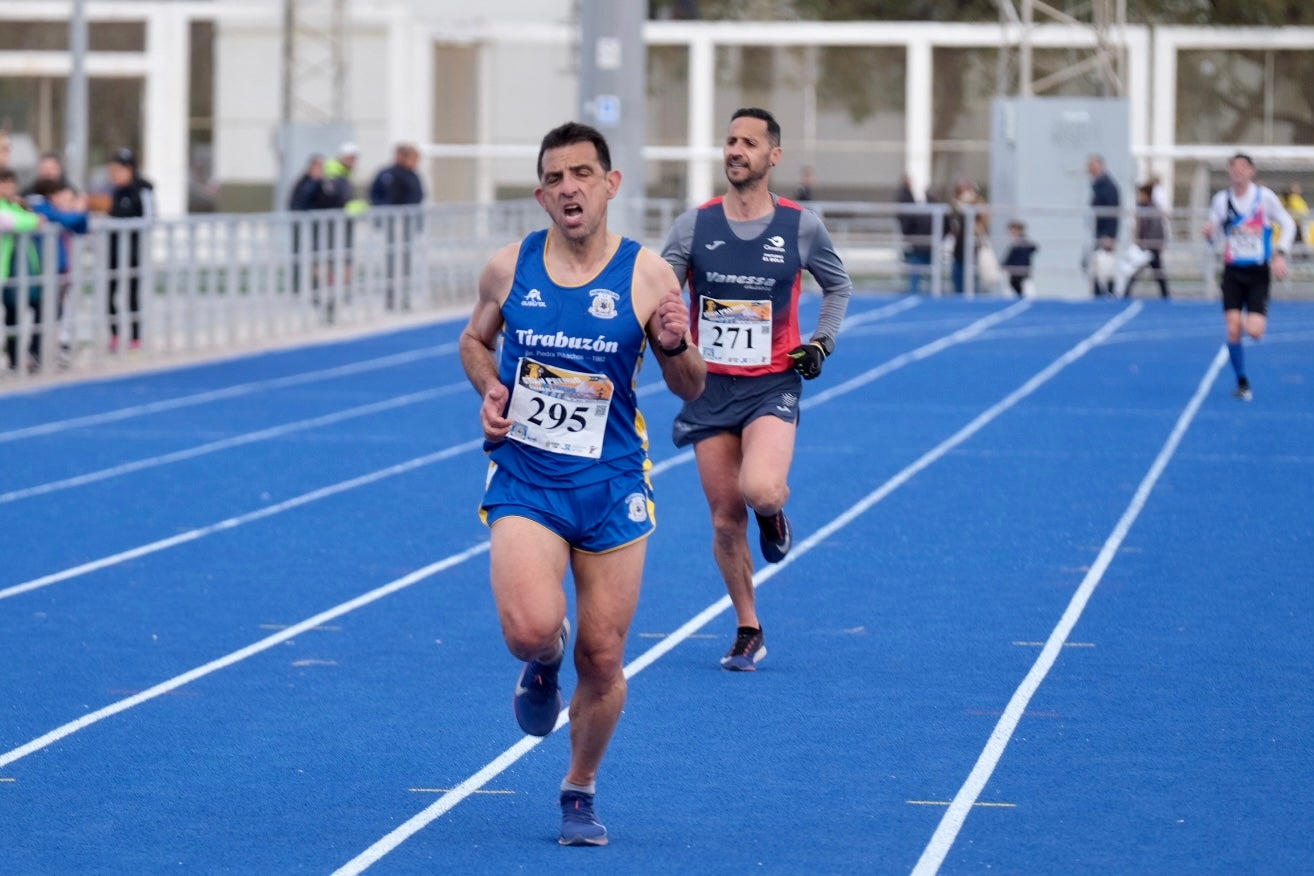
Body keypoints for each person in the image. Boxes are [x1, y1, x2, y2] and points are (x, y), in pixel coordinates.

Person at [458, 121, 705, 846]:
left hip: (612, 484)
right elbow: (475, 341)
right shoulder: (508, 268)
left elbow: (692, 387)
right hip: (528, 480)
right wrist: (489, 390)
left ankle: (579, 788)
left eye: (582, 174)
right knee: (531, 629)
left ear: (610, 184)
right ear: (540, 195)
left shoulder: (648, 276)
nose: (569, 187)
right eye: (555, 178)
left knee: (603, 658)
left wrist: (673, 344)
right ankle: (541, 662)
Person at [661, 107, 852, 671]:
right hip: (708, 387)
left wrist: (822, 342)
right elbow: (661, 291)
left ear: (774, 156)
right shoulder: (693, 226)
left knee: (762, 490)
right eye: (729, 141)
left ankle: (774, 515)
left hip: (772, 383)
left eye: (749, 142)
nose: (735, 150)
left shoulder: (801, 226)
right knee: (724, 518)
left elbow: (838, 287)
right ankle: (749, 627)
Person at [1202, 153, 1296, 401]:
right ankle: (1242, 381)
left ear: (1251, 171)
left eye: (1244, 167)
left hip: (1257, 273)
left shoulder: (1264, 198)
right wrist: (1209, 233)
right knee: (1233, 328)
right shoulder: (1222, 200)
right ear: (1229, 172)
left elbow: (1288, 224)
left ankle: (1254, 317)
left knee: (1254, 331)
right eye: (1234, 167)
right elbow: (1212, 236)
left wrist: (1280, 253)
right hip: (1233, 272)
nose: (1239, 171)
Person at [26, 177, 90, 365]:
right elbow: (67, 219)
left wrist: (81, 211)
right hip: (42, 271)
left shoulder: (60, 213)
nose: (67, 204)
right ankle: (33, 353)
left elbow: (82, 227)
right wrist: (78, 211)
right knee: (40, 311)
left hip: (62, 271)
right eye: (65, 198)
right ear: (54, 195)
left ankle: (48, 351)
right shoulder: (42, 207)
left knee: (56, 313)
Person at [105, 147, 154, 351]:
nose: (116, 175)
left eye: (120, 170)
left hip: (133, 251)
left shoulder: (143, 190)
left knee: (132, 294)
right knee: (110, 293)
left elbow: (150, 218)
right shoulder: (116, 192)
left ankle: (135, 337)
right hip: (114, 250)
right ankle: (115, 335)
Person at [368, 143, 426, 309]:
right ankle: (391, 297)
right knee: (392, 260)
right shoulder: (388, 174)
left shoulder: (413, 175)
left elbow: (418, 197)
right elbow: (376, 195)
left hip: (408, 223)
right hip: (393, 222)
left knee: (405, 261)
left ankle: (404, 296)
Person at [1, 167, 45, 372]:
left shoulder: (16, 205)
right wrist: (34, 221)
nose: (8, 188)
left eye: (11, 183)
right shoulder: (7, 208)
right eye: (4, 183)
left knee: (22, 312)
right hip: (6, 272)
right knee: (12, 314)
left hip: (13, 272)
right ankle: (15, 358)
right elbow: (13, 222)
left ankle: (22, 358)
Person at [1122, 182, 1169, 299]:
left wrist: (1149, 245)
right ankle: (1125, 295)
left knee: (1158, 273)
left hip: (1151, 248)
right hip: (1143, 248)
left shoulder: (1153, 210)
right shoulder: (1140, 208)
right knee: (1135, 272)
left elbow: (1156, 230)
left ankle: (1166, 297)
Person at [1087, 154, 1120, 297]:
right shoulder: (1097, 185)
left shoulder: (1109, 186)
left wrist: (1111, 235)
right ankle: (1099, 294)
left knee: (1105, 266)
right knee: (1096, 266)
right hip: (1098, 231)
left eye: (1093, 166)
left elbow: (1113, 212)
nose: (1090, 170)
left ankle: (1108, 293)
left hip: (1105, 232)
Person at [948, 180, 987, 294]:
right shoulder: (955, 207)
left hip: (972, 249)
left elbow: (984, 222)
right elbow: (951, 222)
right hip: (958, 250)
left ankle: (973, 299)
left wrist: (972, 202)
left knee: (972, 280)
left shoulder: (977, 204)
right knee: (957, 280)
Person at [898, 175, 933, 295]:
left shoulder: (920, 207)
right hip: (920, 245)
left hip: (921, 245)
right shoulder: (906, 198)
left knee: (921, 274)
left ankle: (921, 292)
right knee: (921, 274)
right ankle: (923, 292)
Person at [1001, 220, 1037, 297]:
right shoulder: (1015, 243)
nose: (1011, 232)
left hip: (1021, 273)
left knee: (1025, 292)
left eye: (1013, 230)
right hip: (1014, 273)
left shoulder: (1022, 243)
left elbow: (1032, 249)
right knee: (1014, 290)